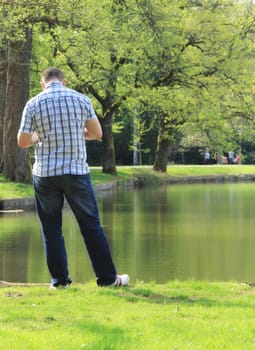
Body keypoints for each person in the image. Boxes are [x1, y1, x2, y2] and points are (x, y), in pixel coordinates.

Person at [17, 67, 129, 289]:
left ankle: (60, 282)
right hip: (76, 172)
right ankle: (107, 279)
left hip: (46, 174)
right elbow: (97, 133)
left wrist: (38, 136)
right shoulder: (81, 99)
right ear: (64, 81)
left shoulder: (33, 103)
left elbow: (22, 141)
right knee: (91, 226)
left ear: (43, 84)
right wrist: (76, 132)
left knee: (51, 229)